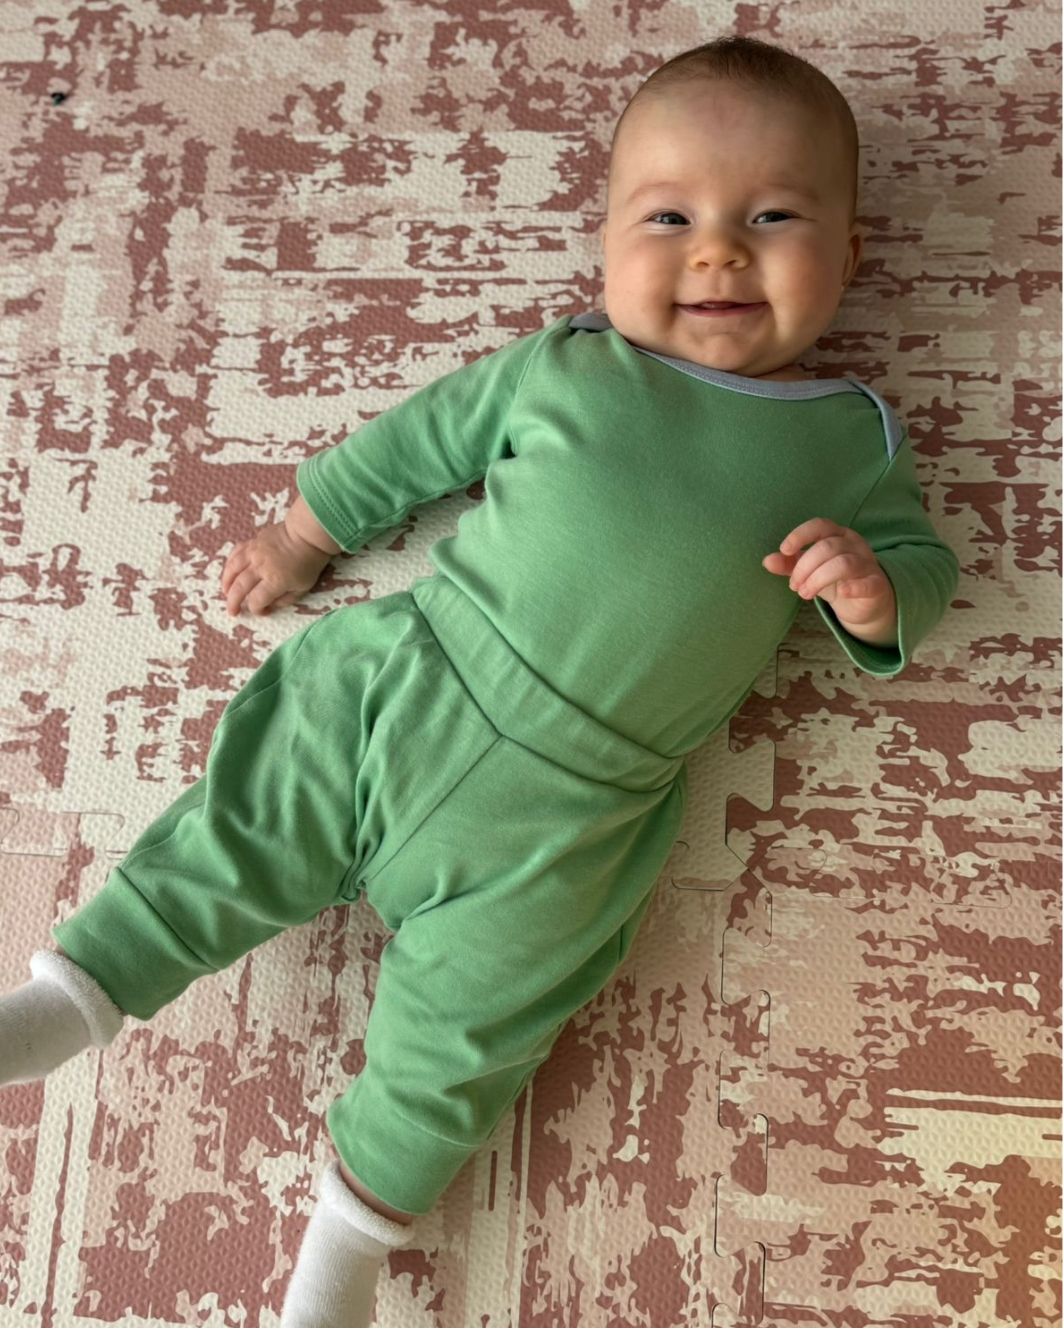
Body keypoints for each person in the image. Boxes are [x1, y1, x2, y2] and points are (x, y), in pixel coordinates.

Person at [0, 35, 960, 1328]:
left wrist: (872, 587)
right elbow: (422, 440)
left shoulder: (848, 441)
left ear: (847, 259)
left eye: (772, 218)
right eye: (668, 217)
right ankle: (66, 1000)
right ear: (605, 243)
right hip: (413, 681)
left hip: (572, 815)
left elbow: (923, 564)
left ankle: (337, 1257)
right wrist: (303, 531)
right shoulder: (565, 364)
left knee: (464, 1040)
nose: (718, 252)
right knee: (237, 825)